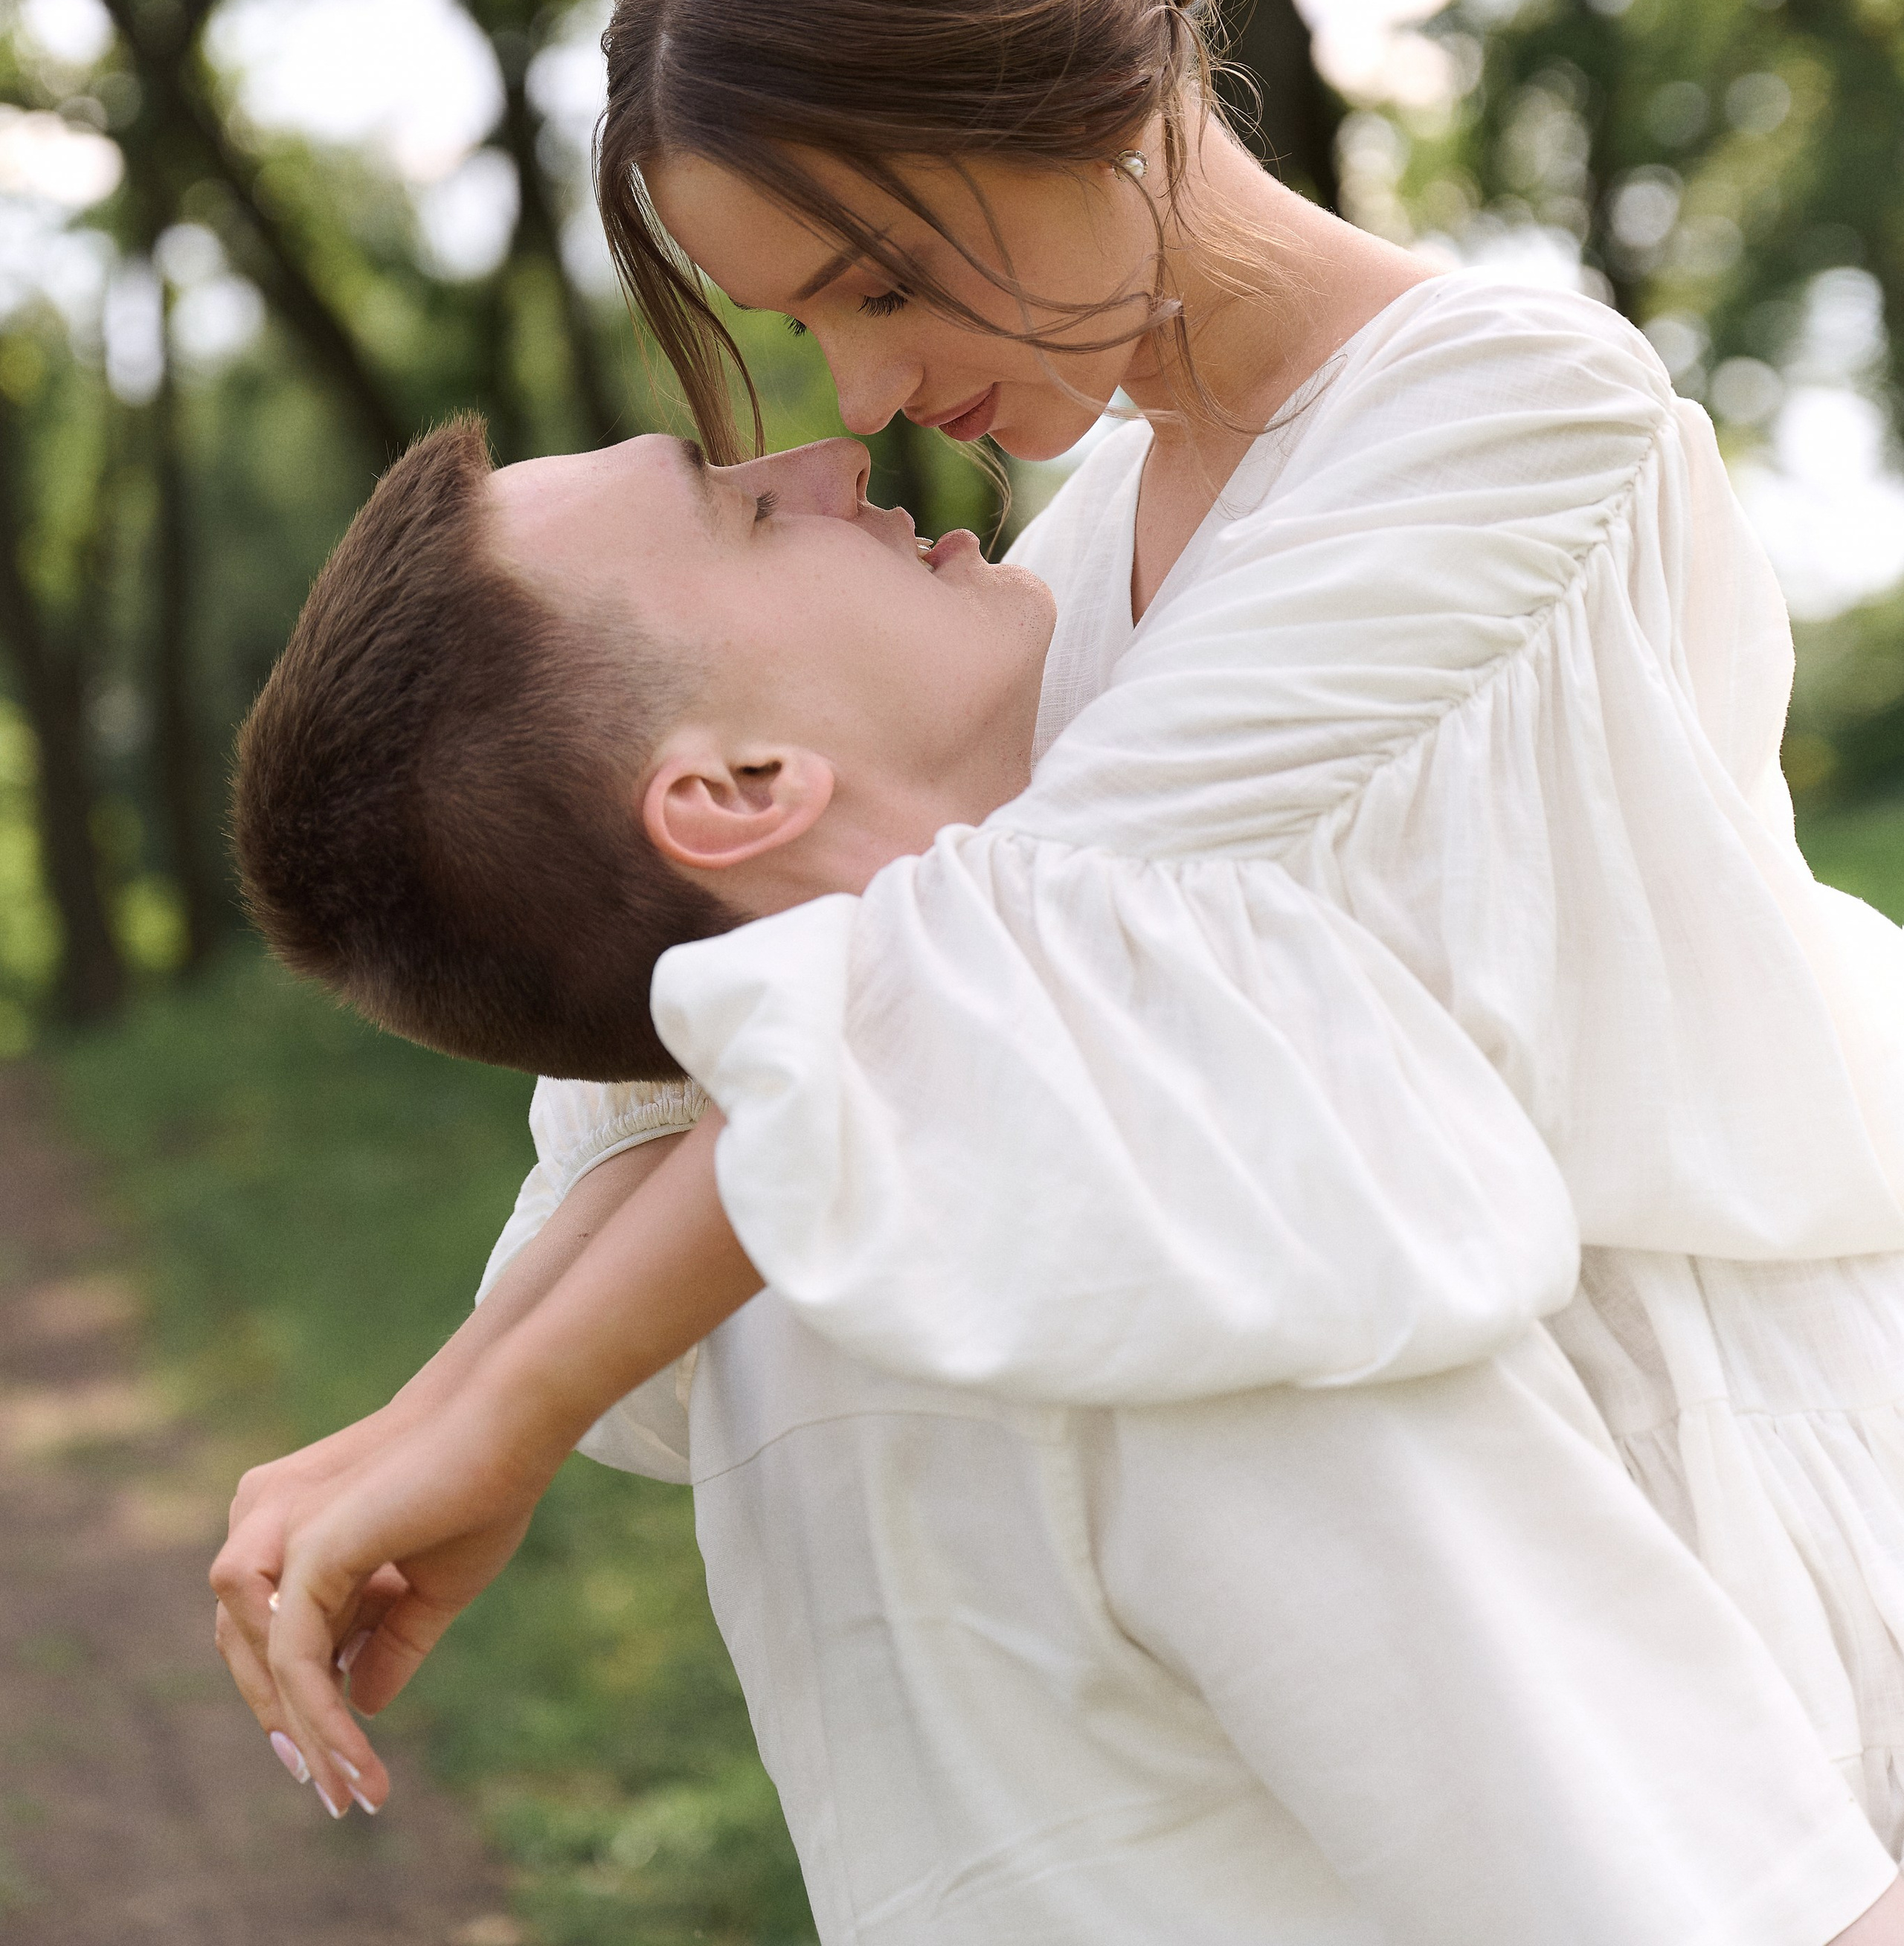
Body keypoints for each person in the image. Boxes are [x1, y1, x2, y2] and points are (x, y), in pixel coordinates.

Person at [219, 407, 1899, 1946]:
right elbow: (1715, 1904)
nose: (824, 454)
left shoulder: (753, 1271)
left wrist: (464, 1406)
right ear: (735, 789)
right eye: (737, 514)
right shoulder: (1149, 1221)